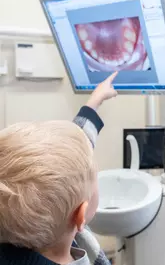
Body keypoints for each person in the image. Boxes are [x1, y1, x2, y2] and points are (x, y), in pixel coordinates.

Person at [0, 72, 118, 265]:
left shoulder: (37, 228)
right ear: (80, 215)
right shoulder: (76, 236)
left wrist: (95, 101)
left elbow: (73, 154)